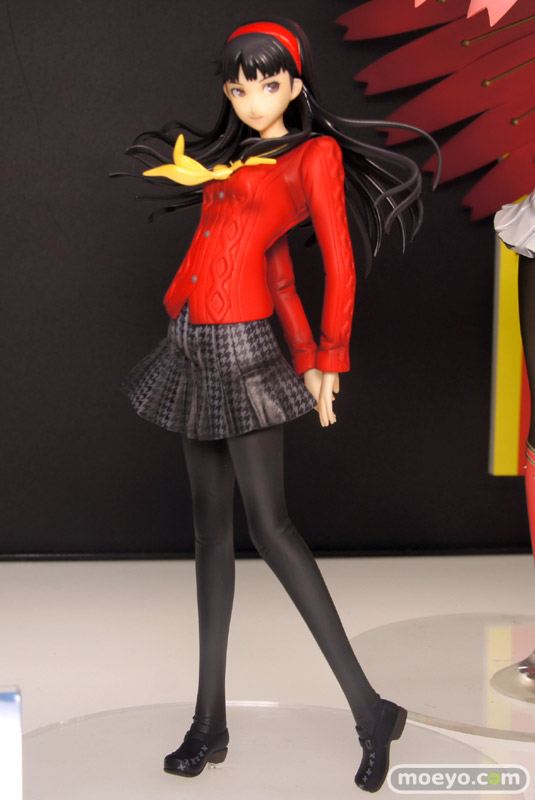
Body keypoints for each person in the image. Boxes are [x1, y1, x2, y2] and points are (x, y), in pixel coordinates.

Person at [118, 18, 435, 792]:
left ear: (294, 84)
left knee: (272, 527)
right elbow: (273, 268)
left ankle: (369, 710)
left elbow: (336, 261)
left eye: (266, 83)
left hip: (242, 347)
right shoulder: (232, 159)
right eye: (238, 87)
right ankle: (209, 722)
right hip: (191, 340)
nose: (251, 98)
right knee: (209, 534)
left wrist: (326, 358)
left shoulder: (311, 155)